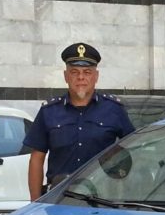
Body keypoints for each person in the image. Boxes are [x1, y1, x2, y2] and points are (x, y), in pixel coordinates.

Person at [23, 42, 135, 201]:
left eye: (87, 72)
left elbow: (132, 152)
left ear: (96, 76)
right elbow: (36, 159)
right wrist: (35, 203)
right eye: (74, 72)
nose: (81, 77)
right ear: (66, 76)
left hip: (103, 201)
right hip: (59, 199)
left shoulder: (114, 110)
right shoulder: (49, 111)